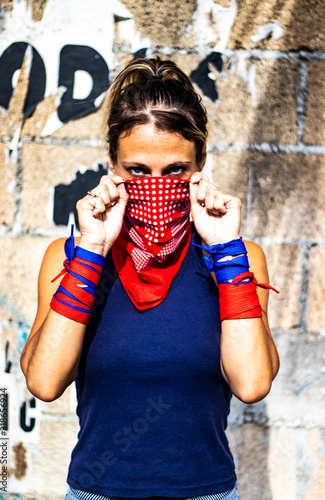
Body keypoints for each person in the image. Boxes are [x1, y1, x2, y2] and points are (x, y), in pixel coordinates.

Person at [20, 57, 280, 500]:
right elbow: (44, 382)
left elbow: (252, 384)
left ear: (200, 163)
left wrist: (227, 253)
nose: (156, 186)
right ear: (111, 164)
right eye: (137, 171)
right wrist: (91, 255)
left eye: (175, 171)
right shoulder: (69, 259)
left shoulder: (238, 259)